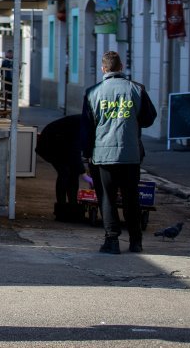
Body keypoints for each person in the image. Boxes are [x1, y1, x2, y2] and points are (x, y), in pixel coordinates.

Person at [81, 51, 156, 254]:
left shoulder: (92, 92)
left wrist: (86, 154)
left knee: (107, 198)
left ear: (103, 69)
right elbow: (149, 118)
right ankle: (136, 241)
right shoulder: (137, 89)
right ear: (121, 67)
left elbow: (87, 128)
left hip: (102, 155)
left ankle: (111, 241)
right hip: (130, 154)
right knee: (132, 198)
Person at [34, 114, 86, 222]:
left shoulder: (87, 124)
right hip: (50, 145)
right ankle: (61, 208)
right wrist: (83, 172)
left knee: (73, 173)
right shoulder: (82, 124)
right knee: (65, 172)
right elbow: (75, 150)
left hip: (63, 144)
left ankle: (73, 206)